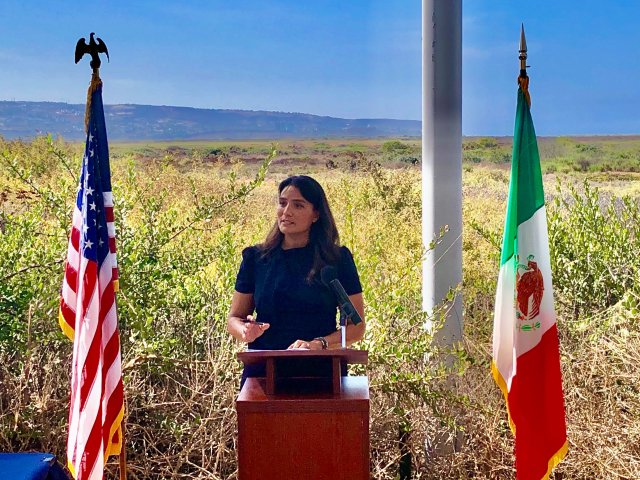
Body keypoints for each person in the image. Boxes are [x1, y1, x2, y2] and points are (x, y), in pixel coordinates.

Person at [227, 175, 365, 383]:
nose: (286, 211)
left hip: (321, 374)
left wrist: (319, 343)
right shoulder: (256, 258)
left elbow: (357, 327)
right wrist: (245, 331)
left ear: (316, 214)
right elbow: (234, 319)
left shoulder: (336, 260)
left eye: (298, 205)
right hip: (264, 375)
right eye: (282, 203)